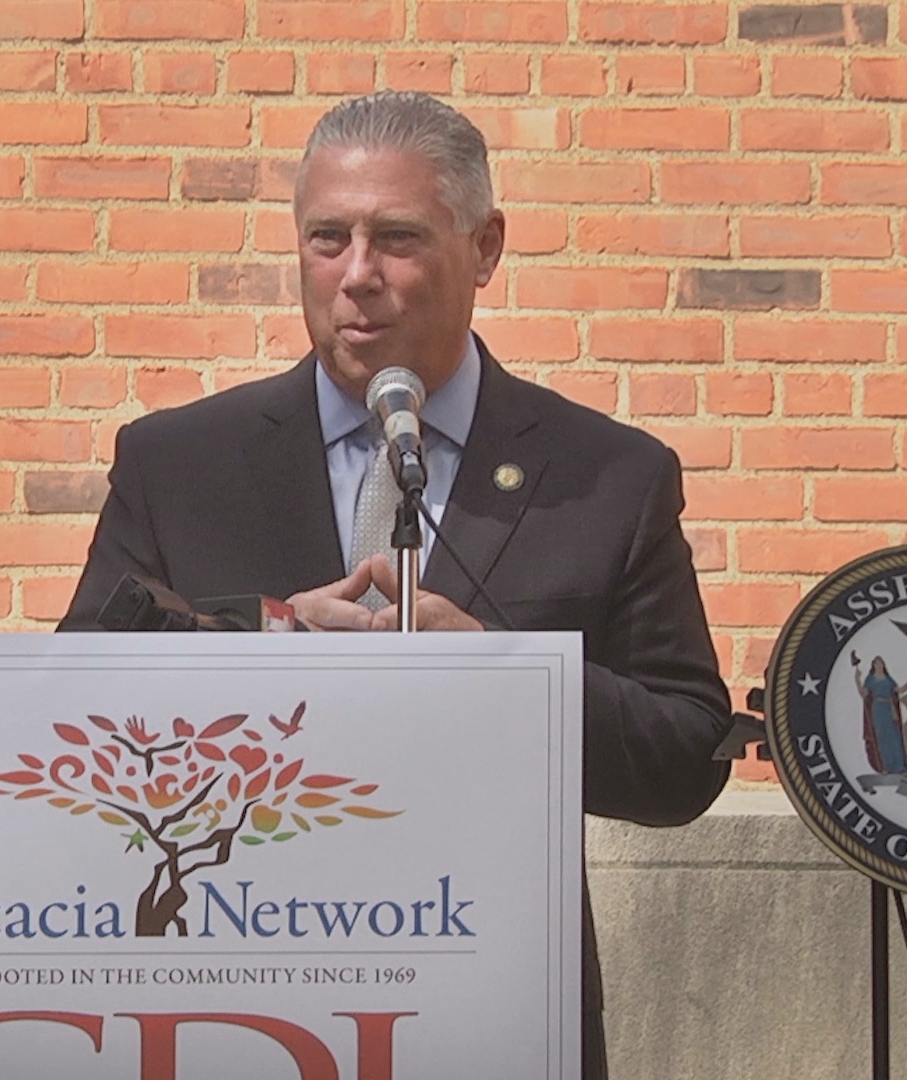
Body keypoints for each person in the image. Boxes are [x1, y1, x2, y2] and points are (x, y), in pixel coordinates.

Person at [59, 90, 732, 1080]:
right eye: (327, 238)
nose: (356, 275)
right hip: (232, 1001)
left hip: (495, 1013)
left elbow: (686, 758)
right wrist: (266, 646)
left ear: (486, 248)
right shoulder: (179, 465)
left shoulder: (608, 477)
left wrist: (508, 677)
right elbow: (75, 709)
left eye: (398, 238)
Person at [856, 655, 907, 776]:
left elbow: (899, 690)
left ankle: (900, 766)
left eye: (881, 663)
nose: (879, 665)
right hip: (879, 709)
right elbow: (864, 693)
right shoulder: (870, 679)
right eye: (877, 663)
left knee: (895, 737)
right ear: (874, 665)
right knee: (882, 737)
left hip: (890, 708)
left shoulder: (888, 679)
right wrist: (857, 679)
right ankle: (886, 766)